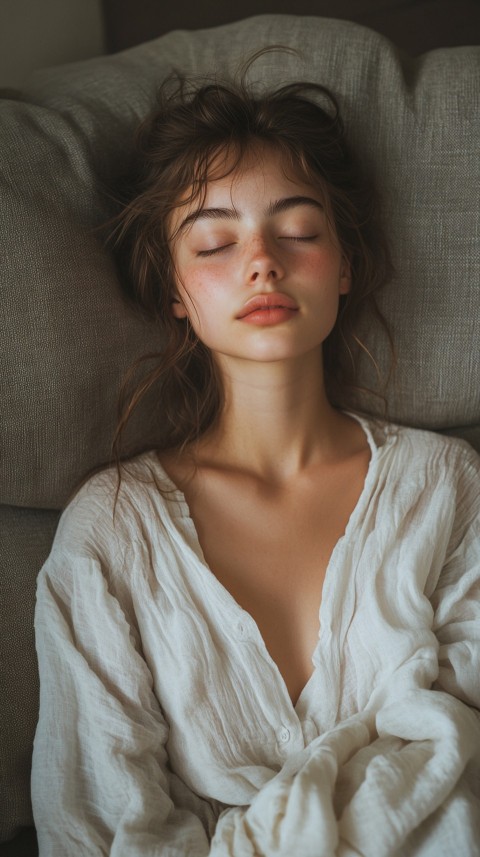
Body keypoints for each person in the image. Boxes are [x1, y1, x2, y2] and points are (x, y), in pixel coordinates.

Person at [31, 68, 480, 856]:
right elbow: (98, 822)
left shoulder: (447, 486)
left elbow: (460, 756)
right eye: (214, 241)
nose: (262, 262)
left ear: (344, 265)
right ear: (175, 287)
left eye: (299, 231)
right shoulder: (108, 533)